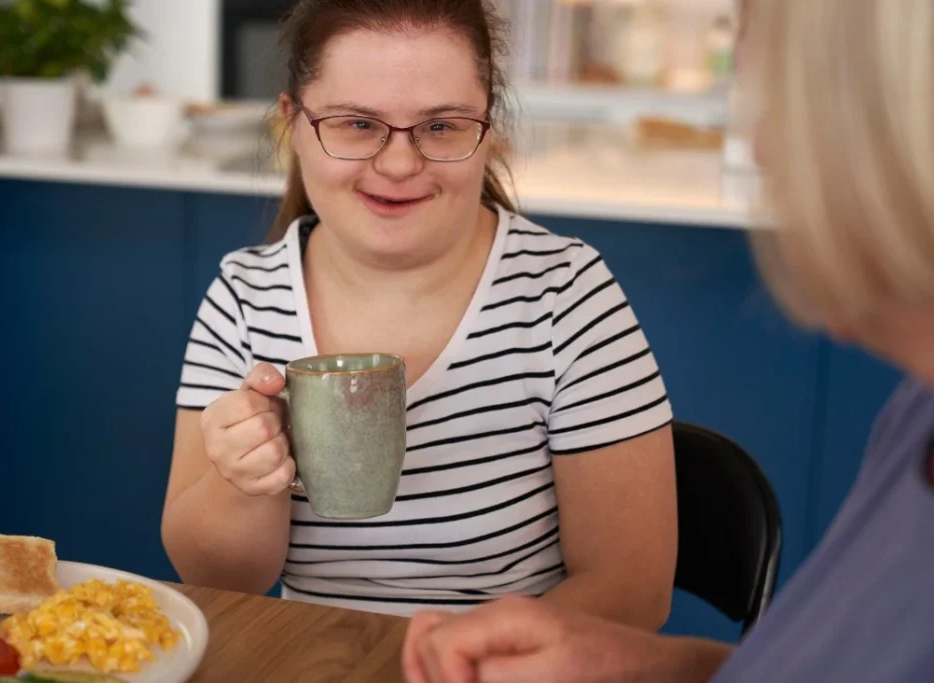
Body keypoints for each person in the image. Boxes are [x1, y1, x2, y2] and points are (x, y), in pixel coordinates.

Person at [400, 0, 934, 681]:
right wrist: (638, 664)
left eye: (799, 101)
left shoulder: (564, 285)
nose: (764, 146)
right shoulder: (915, 414)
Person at [159, 0, 677, 624]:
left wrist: (453, 659)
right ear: (292, 123)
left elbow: (633, 592)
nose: (400, 164)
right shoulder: (245, 294)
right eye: (356, 124)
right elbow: (217, 578)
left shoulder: (565, 293)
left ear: (488, 129)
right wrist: (243, 480)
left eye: (441, 127)